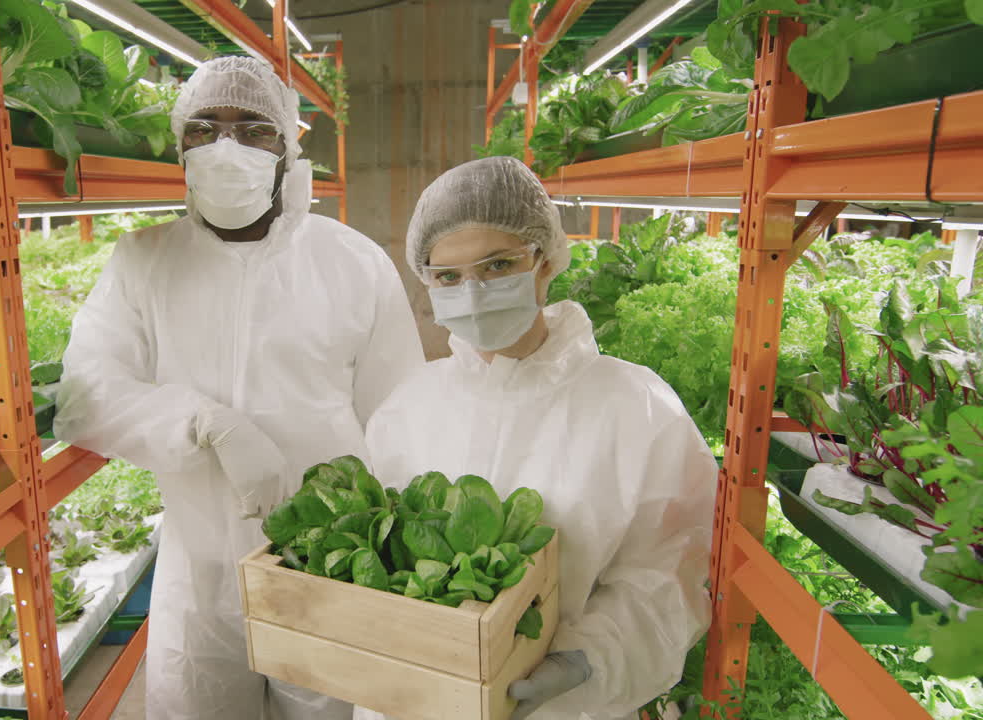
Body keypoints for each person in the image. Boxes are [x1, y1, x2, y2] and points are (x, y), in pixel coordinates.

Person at [55, 57, 424, 720]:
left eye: (253, 129)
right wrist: (203, 421)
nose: (227, 147)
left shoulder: (352, 263)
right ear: (180, 145)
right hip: (198, 574)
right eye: (205, 128)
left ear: (288, 146)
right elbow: (86, 392)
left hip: (329, 566)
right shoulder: (143, 261)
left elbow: (401, 421)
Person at [355, 156, 717, 720]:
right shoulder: (408, 407)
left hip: (562, 707)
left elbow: (669, 576)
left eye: (498, 266)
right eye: (448, 277)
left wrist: (587, 660)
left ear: (545, 260)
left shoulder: (637, 409)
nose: (472, 293)